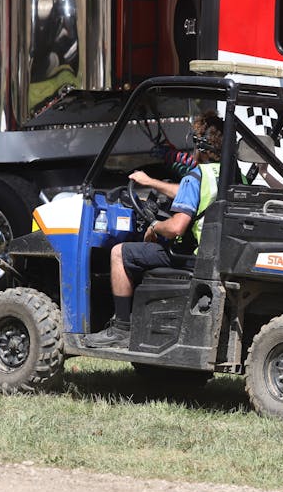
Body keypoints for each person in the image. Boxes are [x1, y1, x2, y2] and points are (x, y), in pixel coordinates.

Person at [82, 111, 224, 349]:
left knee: (119, 253)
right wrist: (151, 182)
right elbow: (191, 193)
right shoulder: (231, 175)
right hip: (218, 252)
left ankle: (121, 329)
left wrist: (156, 227)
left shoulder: (197, 176)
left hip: (194, 255)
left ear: (200, 145)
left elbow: (176, 227)